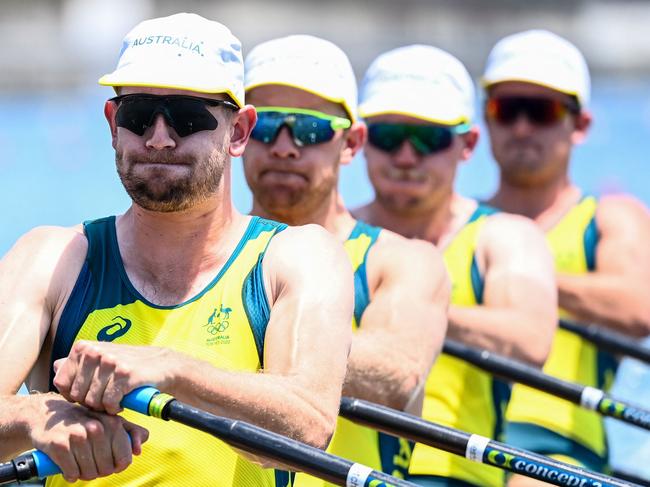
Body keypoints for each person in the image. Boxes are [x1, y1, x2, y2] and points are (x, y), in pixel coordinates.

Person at [0, 13, 354, 487]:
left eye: (188, 117)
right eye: (138, 114)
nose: (158, 137)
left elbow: (308, 425)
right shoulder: (50, 256)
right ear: (112, 122)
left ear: (239, 132)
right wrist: (32, 416)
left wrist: (172, 368)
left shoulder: (298, 258)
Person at [241, 35, 450, 484]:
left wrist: (240, 337)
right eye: (265, 125)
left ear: (352, 143)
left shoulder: (400, 260)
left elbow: (398, 373)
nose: (283, 147)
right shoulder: (201, 251)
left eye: (309, 129)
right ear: (238, 132)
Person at [355, 45, 558, 487]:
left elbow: (530, 339)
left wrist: (410, 310)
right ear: (359, 139)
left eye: (428, 139)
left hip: (454, 474)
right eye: (388, 137)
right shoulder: (327, 236)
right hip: (332, 470)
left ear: (467, 144)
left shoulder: (503, 236)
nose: (406, 157)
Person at [481, 29, 650, 484]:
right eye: (506, 109)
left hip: (558, 449)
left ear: (581, 125)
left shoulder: (609, 219)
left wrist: (517, 280)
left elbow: (639, 309)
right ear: (485, 120)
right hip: (446, 442)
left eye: (541, 112)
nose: (521, 128)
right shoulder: (454, 220)